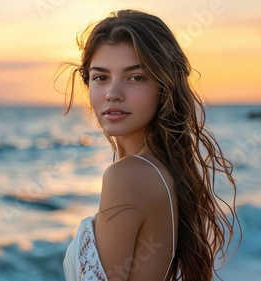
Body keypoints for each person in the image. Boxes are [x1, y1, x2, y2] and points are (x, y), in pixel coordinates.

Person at [58, 9, 240, 281]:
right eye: (100, 77)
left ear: (164, 87)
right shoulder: (162, 170)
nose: (113, 93)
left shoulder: (128, 175)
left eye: (136, 77)